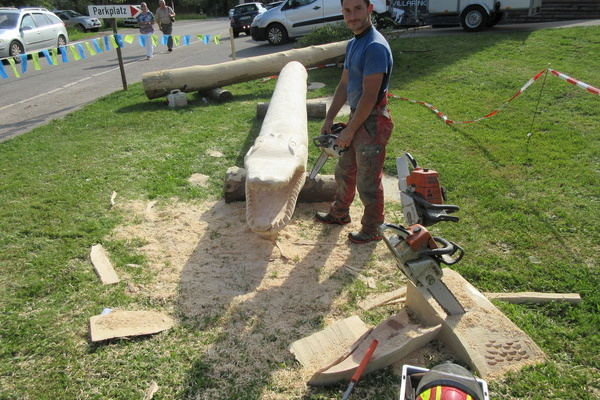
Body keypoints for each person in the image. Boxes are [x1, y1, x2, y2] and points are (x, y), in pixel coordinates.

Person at [314, 0, 394, 244]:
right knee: (345, 170)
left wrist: (349, 131)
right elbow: (344, 85)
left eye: (357, 9)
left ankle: (372, 229)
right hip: (358, 115)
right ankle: (339, 214)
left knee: (368, 180)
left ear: (369, 9)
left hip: (372, 121)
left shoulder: (375, 47)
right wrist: (329, 118)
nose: (352, 16)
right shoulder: (353, 44)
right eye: (347, 11)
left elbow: (370, 97)